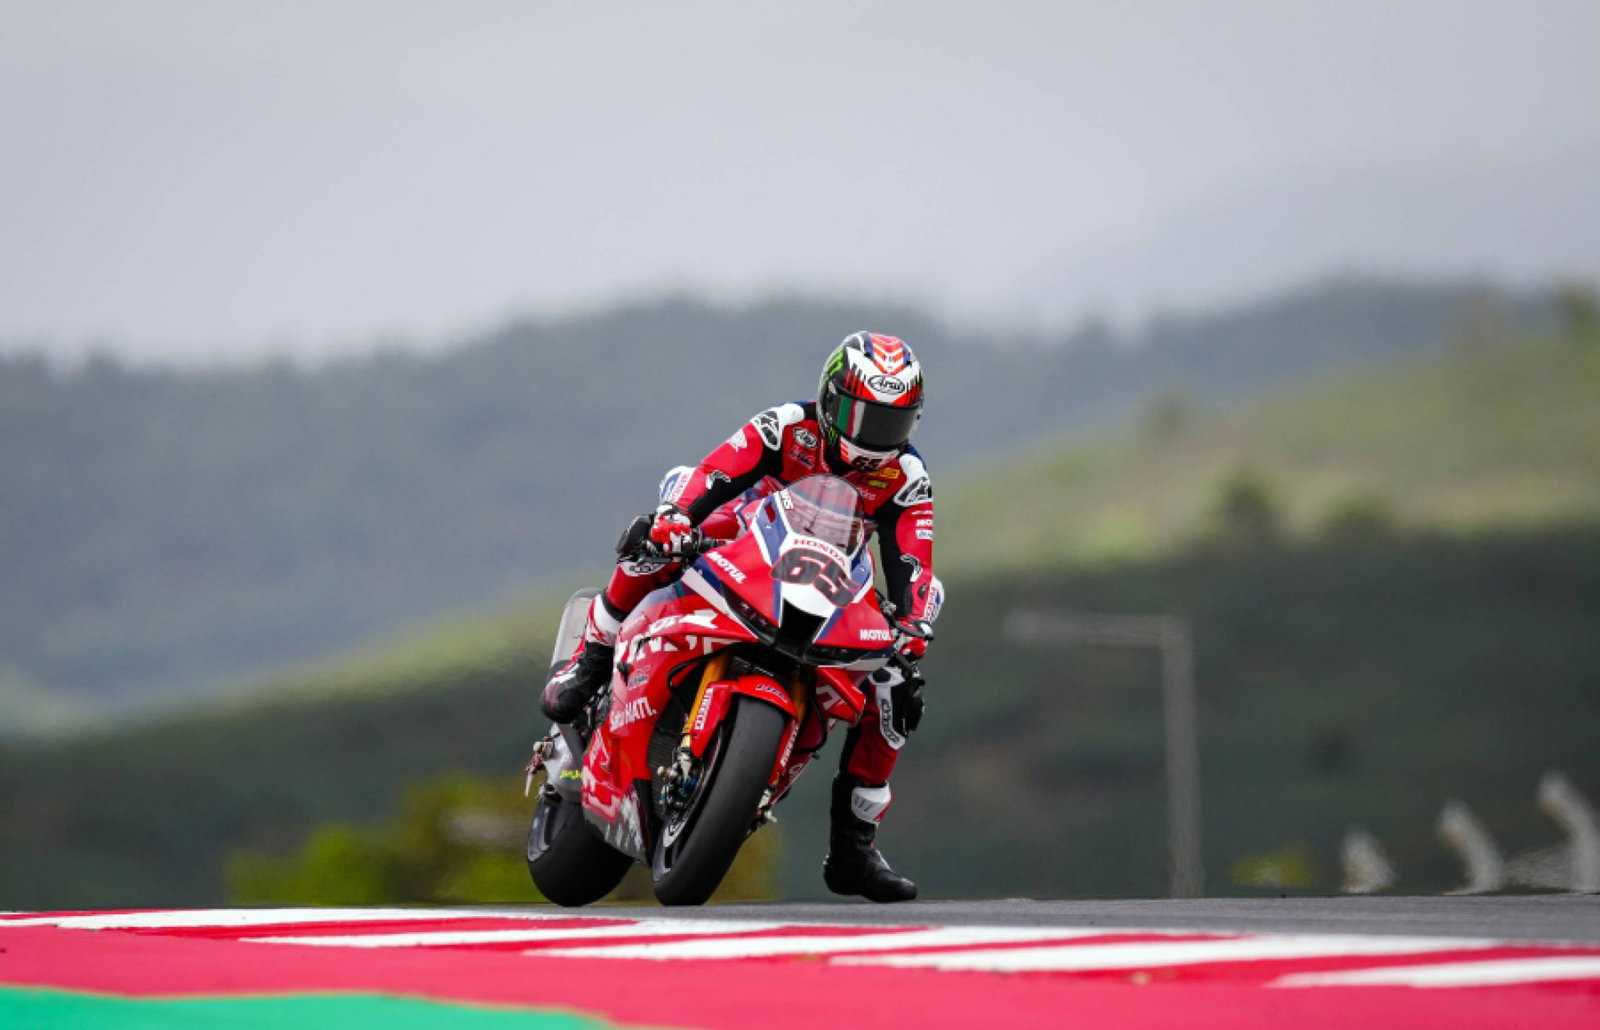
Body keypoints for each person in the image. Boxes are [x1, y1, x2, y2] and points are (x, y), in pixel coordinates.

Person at [540, 331, 940, 902]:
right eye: (861, 414)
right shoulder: (785, 425)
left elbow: (912, 561)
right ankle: (590, 660)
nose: (873, 435)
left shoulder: (906, 478)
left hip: (833, 580)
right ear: (830, 400)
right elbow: (718, 470)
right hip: (749, 534)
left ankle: (854, 849)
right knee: (655, 539)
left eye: (891, 423)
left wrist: (913, 619)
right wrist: (679, 517)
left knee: (898, 692)